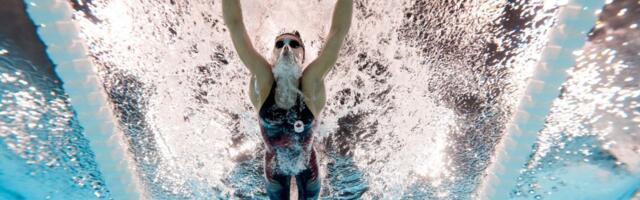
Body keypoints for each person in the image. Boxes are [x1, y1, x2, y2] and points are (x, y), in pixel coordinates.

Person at [222, 0, 353, 199]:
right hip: (274, 170)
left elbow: (338, 31)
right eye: (280, 44)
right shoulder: (263, 80)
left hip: (308, 168)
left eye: (293, 44)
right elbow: (235, 25)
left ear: (302, 55)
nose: (286, 48)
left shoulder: (311, 83)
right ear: (272, 55)